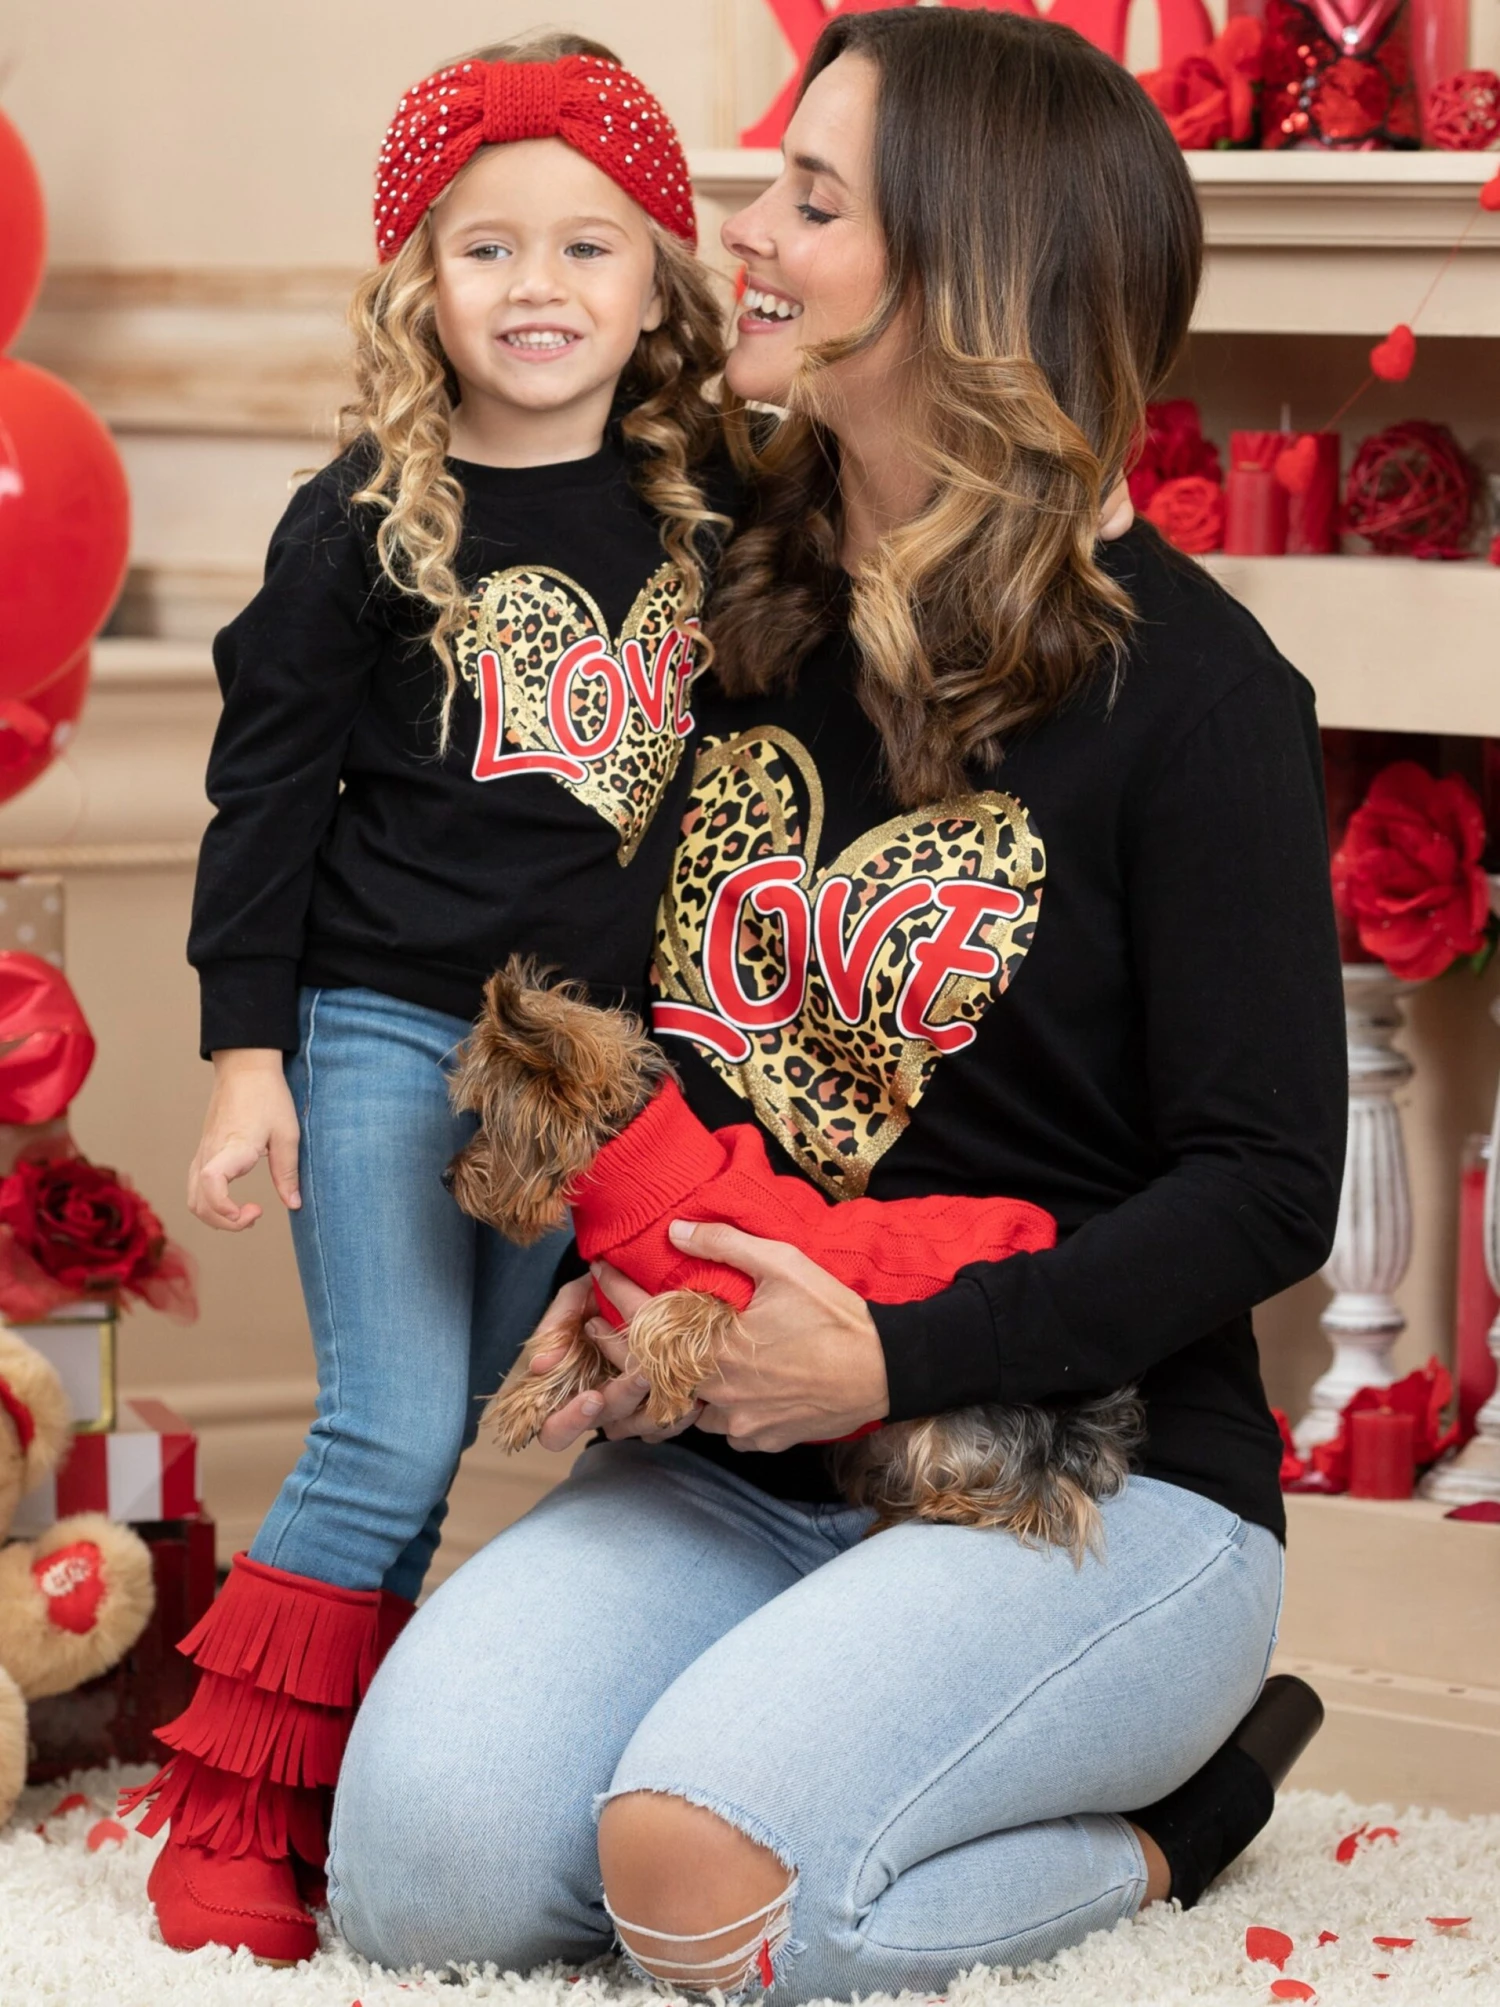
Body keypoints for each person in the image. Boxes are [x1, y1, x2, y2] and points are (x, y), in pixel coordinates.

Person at [329, 10, 1346, 1999]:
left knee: (703, 1886)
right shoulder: (710, 592)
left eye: (813, 197)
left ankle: (1183, 1814)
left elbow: (1263, 1187)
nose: (747, 229)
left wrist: (890, 1354)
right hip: (733, 1459)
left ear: (968, 272)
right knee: (425, 1878)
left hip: (1091, 1486)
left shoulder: (1206, 704)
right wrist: (621, 1298)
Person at [123, 32, 732, 1966]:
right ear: (421, 285)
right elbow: (264, 795)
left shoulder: (707, 507)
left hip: (587, 1070)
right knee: (385, 1430)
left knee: (459, 1416)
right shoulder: (363, 520)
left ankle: (343, 1785)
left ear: (659, 287)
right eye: (488, 247)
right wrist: (248, 1063)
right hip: (387, 1024)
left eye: (587, 247)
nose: (538, 286)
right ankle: (227, 1821)